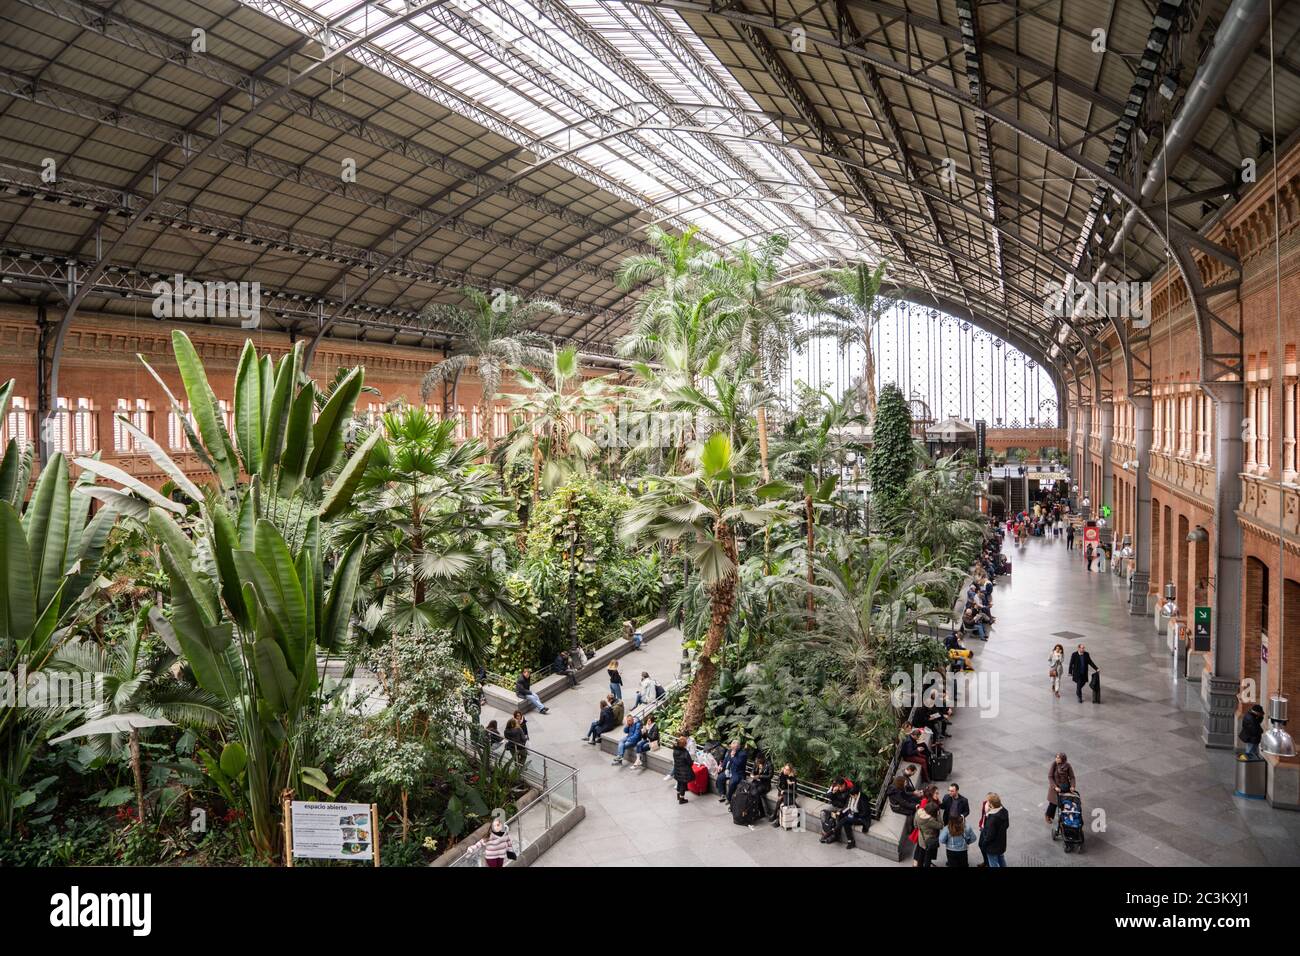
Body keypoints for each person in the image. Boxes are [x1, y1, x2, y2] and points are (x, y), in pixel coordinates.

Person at [820, 778, 858, 849]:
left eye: (841, 787)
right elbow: (827, 795)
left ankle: (835, 836)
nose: (840, 788)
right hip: (834, 806)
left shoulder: (850, 789)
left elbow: (848, 805)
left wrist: (840, 812)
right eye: (838, 787)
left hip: (843, 808)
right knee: (823, 813)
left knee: (838, 817)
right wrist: (833, 792)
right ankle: (826, 832)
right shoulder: (834, 786)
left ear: (844, 784)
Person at [978, 792, 1009, 867]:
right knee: (1001, 859)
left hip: (992, 847)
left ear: (991, 804)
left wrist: (984, 845)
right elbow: (1006, 825)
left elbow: (989, 836)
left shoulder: (992, 818)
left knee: (993, 864)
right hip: (1001, 843)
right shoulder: (1004, 811)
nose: (986, 803)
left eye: (988, 801)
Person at [1045, 752, 1076, 826]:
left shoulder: (1068, 766)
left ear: (1062, 759)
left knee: (1065, 804)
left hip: (1065, 787)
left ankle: (1064, 819)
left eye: (1058, 758)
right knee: (1053, 804)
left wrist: (1072, 786)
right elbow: (1050, 776)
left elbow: (1072, 777)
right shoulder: (1054, 764)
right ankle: (1048, 815)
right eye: (1056, 757)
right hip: (1056, 788)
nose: (1056, 759)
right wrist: (1055, 787)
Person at [912, 792, 942, 867]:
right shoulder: (930, 820)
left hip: (921, 839)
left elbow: (915, 826)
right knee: (927, 858)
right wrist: (938, 816)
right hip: (929, 840)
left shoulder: (918, 812)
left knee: (921, 856)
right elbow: (940, 825)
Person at [717, 740, 748, 806]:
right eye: (732, 747)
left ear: (738, 747)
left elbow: (738, 764)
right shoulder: (730, 751)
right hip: (729, 771)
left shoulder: (743, 754)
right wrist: (722, 767)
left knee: (732, 783)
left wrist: (733, 757)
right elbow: (726, 760)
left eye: (734, 748)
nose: (732, 749)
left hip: (738, 772)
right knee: (720, 778)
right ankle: (722, 794)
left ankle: (729, 798)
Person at [748, 753, 774, 818]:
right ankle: (757, 810)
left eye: (759, 760)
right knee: (750, 789)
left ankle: (759, 811)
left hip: (765, 784)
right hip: (756, 782)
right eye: (757, 760)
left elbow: (770, 776)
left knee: (757, 792)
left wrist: (760, 776)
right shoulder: (756, 762)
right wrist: (752, 774)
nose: (758, 761)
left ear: (763, 759)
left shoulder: (769, 764)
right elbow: (753, 771)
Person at [671, 736, 694, 804]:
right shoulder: (685, 752)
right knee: (683, 785)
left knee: (679, 782)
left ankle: (678, 795)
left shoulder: (675, 750)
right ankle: (682, 798)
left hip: (677, 769)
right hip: (684, 771)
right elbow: (690, 762)